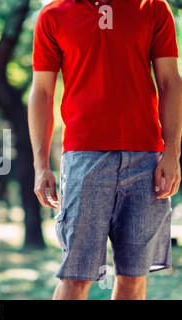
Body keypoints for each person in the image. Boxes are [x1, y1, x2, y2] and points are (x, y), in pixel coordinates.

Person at [29, 0, 181, 300]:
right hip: (83, 158)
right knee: (75, 276)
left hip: (147, 158)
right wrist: (40, 165)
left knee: (134, 278)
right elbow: (42, 92)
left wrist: (173, 152)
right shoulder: (53, 14)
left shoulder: (152, 7)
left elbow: (169, 81)